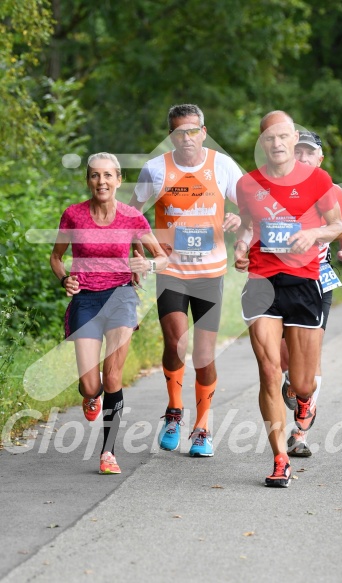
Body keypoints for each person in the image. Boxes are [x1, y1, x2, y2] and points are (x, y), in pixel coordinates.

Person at [234, 111, 342, 488]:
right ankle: (280, 458)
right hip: (262, 280)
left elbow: (337, 224)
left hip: (304, 282)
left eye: (283, 137)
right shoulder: (248, 184)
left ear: (292, 138)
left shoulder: (318, 179)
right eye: (270, 138)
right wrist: (240, 244)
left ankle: (303, 399)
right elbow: (248, 225)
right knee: (267, 371)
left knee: (301, 382)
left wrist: (313, 236)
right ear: (262, 143)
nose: (277, 144)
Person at [130, 103, 242, 457]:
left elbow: (251, 208)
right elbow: (132, 216)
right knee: (176, 342)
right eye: (180, 132)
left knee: (205, 354)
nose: (187, 138)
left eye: (193, 131)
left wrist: (240, 223)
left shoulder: (222, 166)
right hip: (172, 272)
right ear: (171, 136)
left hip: (210, 275)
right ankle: (175, 411)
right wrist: (138, 255)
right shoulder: (155, 170)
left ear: (203, 133)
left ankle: (203, 427)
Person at [50, 152, 168, 475]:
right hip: (86, 299)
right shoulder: (73, 215)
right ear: (88, 180)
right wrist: (65, 279)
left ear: (119, 180)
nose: (101, 182)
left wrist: (147, 264)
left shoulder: (132, 217)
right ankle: (91, 397)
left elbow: (162, 257)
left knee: (113, 376)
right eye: (94, 176)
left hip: (121, 299)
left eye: (107, 176)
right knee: (91, 385)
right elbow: (56, 257)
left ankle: (108, 452)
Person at [282, 131, 342, 457]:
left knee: (310, 355)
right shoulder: (273, 188)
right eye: (295, 151)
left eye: (308, 152)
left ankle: (300, 433)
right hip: (277, 276)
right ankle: (295, 387)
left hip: (317, 277)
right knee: (284, 355)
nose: (301, 157)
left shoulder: (331, 190)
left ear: (319, 159)